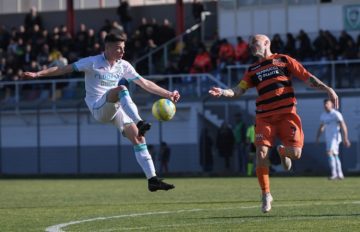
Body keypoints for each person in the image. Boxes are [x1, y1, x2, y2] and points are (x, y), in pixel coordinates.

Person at [23, 33, 180, 192]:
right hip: (98, 107)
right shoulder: (92, 62)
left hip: (115, 107)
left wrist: (168, 94)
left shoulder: (123, 65)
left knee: (139, 139)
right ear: (107, 47)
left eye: (123, 48)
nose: (122, 52)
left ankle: (152, 180)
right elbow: (64, 69)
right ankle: (140, 122)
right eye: (118, 48)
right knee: (122, 89)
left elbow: (144, 83)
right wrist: (38, 74)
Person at [209, 34, 339, 213]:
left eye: (255, 42)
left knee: (296, 154)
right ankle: (266, 194)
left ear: (267, 43)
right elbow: (239, 90)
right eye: (251, 44)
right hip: (265, 117)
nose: (252, 46)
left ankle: (283, 151)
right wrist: (224, 92)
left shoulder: (283, 60)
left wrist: (328, 89)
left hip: (287, 115)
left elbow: (307, 77)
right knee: (261, 153)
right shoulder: (252, 69)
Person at [316, 99, 351, 180]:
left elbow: (343, 126)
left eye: (327, 104)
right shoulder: (323, 115)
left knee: (329, 153)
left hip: (335, 137)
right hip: (328, 138)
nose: (325, 105)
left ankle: (334, 174)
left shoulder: (336, 114)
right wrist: (317, 137)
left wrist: (345, 138)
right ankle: (340, 174)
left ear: (331, 104)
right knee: (335, 155)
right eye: (324, 104)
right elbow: (321, 127)